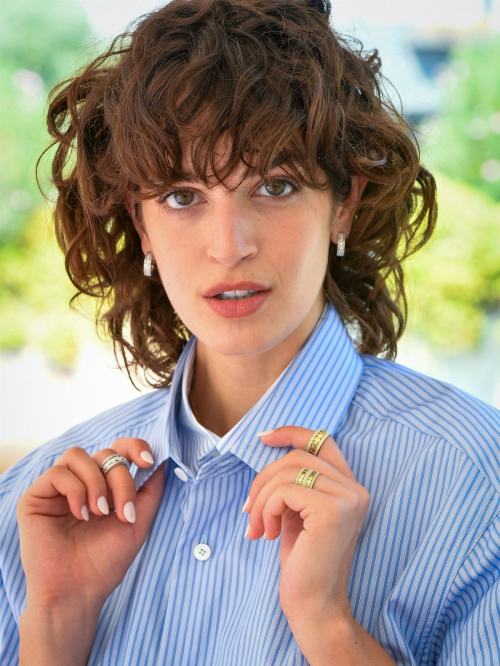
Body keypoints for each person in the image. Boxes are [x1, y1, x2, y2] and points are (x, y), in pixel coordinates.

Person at [1, 0, 499, 664]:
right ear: (140, 223)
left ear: (343, 205)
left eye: (275, 186)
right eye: (182, 196)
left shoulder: (477, 481)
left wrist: (328, 627)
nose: (229, 245)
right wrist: (57, 622)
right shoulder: (34, 508)